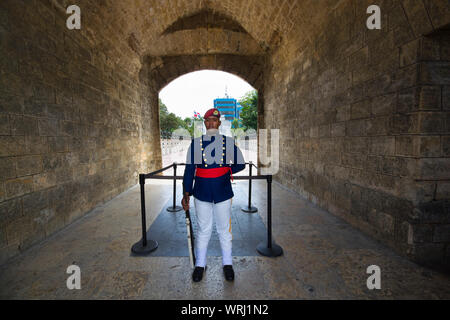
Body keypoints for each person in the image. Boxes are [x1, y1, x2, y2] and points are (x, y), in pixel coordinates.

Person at [182, 108, 245, 282]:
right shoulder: (195, 143)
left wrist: (225, 171)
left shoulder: (228, 142)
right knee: (203, 230)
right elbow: (189, 171)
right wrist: (186, 193)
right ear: (205, 123)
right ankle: (200, 265)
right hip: (201, 192)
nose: (211, 123)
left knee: (224, 230)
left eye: (214, 120)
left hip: (223, 192)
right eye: (208, 120)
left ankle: (227, 264)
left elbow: (241, 164)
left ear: (219, 123)